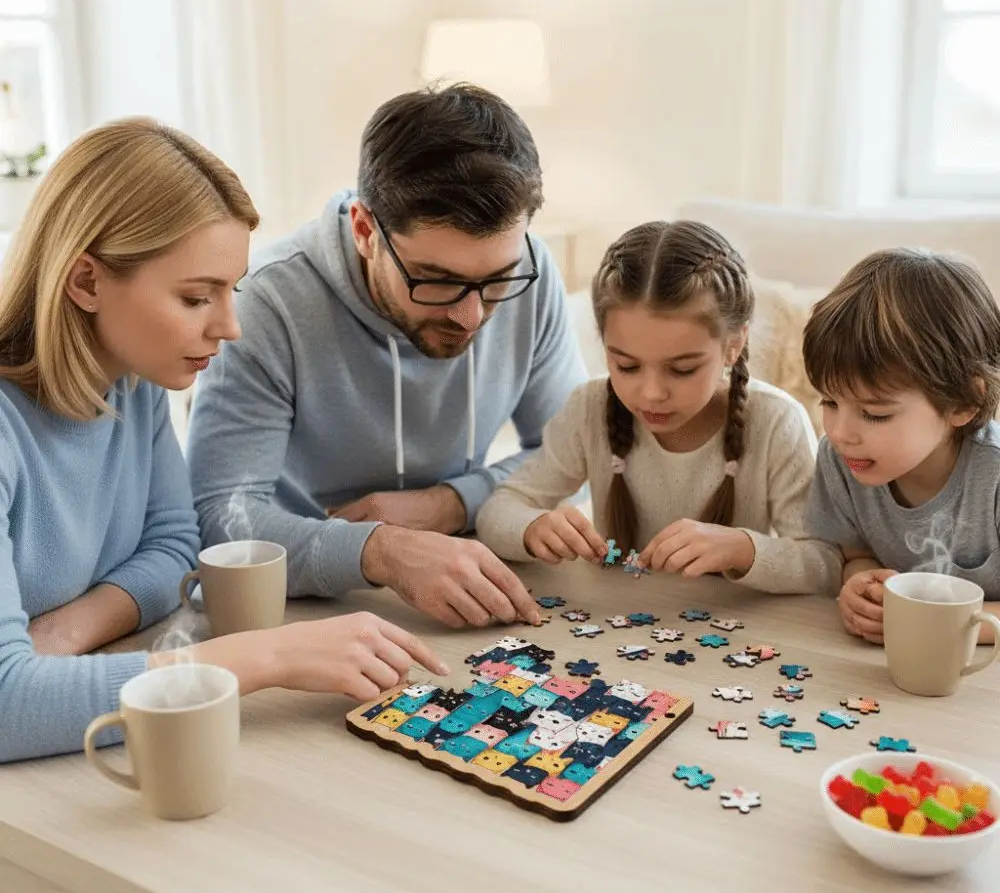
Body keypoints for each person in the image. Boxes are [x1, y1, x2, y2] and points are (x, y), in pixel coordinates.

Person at [0, 117, 447, 764]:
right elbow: (10, 707)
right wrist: (265, 655)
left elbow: (174, 549)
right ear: (87, 281)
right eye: (195, 297)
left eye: (229, 291)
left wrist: (67, 631)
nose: (230, 327)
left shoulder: (132, 381)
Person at [186, 84, 587, 628]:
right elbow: (220, 521)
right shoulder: (263, 303)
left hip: (467, 585)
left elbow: (576, 455)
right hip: (302, 609)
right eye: (438, 281)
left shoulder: (531, 275)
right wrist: (379, 549)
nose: (472, 316)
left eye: (496, 280)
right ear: (364, 229)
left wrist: (447, 505)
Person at [476, 220, 842, 595]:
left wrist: (742, 549)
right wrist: (532, 527)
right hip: (614, 623)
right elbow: (498, 510)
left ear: (734, 344)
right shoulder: (590, 408)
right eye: (627, 366)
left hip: (732, 632)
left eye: (682, 369)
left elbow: (824, 564)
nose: (651, 394)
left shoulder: (776, 420)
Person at [803, 248, 1000, 644]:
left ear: (965, 402)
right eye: (829, 402)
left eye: (875, 413)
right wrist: (861, 587)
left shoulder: (992, 475)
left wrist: (926, 621)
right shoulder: (842, 460)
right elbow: (854, 553)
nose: (841, 432)